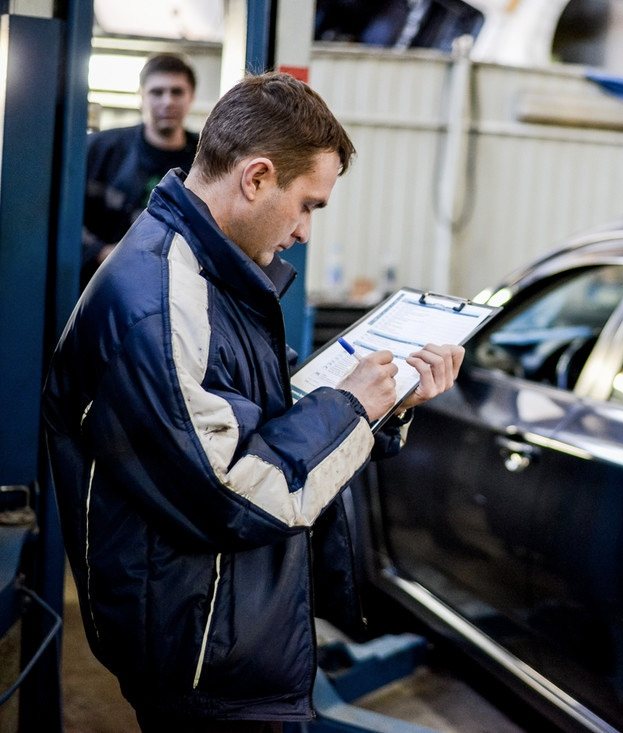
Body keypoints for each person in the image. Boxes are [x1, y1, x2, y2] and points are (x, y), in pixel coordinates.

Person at [41, 71, 464, 732]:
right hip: (204, 662)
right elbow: (237, 492)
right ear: (257, 176)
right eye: (308, 205)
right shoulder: (158, 299)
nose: (303, 230)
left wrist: (385, 400)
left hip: (230, 632)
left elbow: (262, 414)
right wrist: (349, 409)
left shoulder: (213, 271)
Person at [82, 53, 200, 288]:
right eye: (157, 92)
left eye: (177, 92)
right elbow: (64, 214)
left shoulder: (206, 159)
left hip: (177, 286)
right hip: (101, 282)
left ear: (191, 97)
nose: (167, 101)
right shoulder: (100, 149)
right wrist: (101, 251)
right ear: (141, 97)